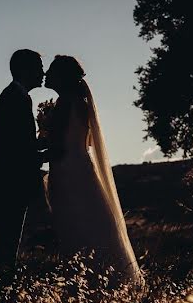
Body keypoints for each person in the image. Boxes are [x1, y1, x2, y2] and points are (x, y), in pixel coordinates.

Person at [43, 55, 143, 286]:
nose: (47, 74)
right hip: (83, 168)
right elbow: (85, 142)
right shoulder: (80, 103)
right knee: (91, 222)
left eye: (51, 71)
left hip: (67, 170)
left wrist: (38, 142)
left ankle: (85, 280)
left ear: (61, 77)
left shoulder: (64, 103)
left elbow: (57, 146)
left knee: (74, 225)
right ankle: (108, 277)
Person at [0, 49, 47, 270]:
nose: (43, 72)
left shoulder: (16, 96)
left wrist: (45, 142)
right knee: (7, 242)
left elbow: (22, 142)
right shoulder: (16, 98)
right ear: (25, 69)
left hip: (10, 178)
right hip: (10, 179)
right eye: (39, 67)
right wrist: (49, 151)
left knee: (8, 240)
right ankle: (0, 288)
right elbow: (17, 146)